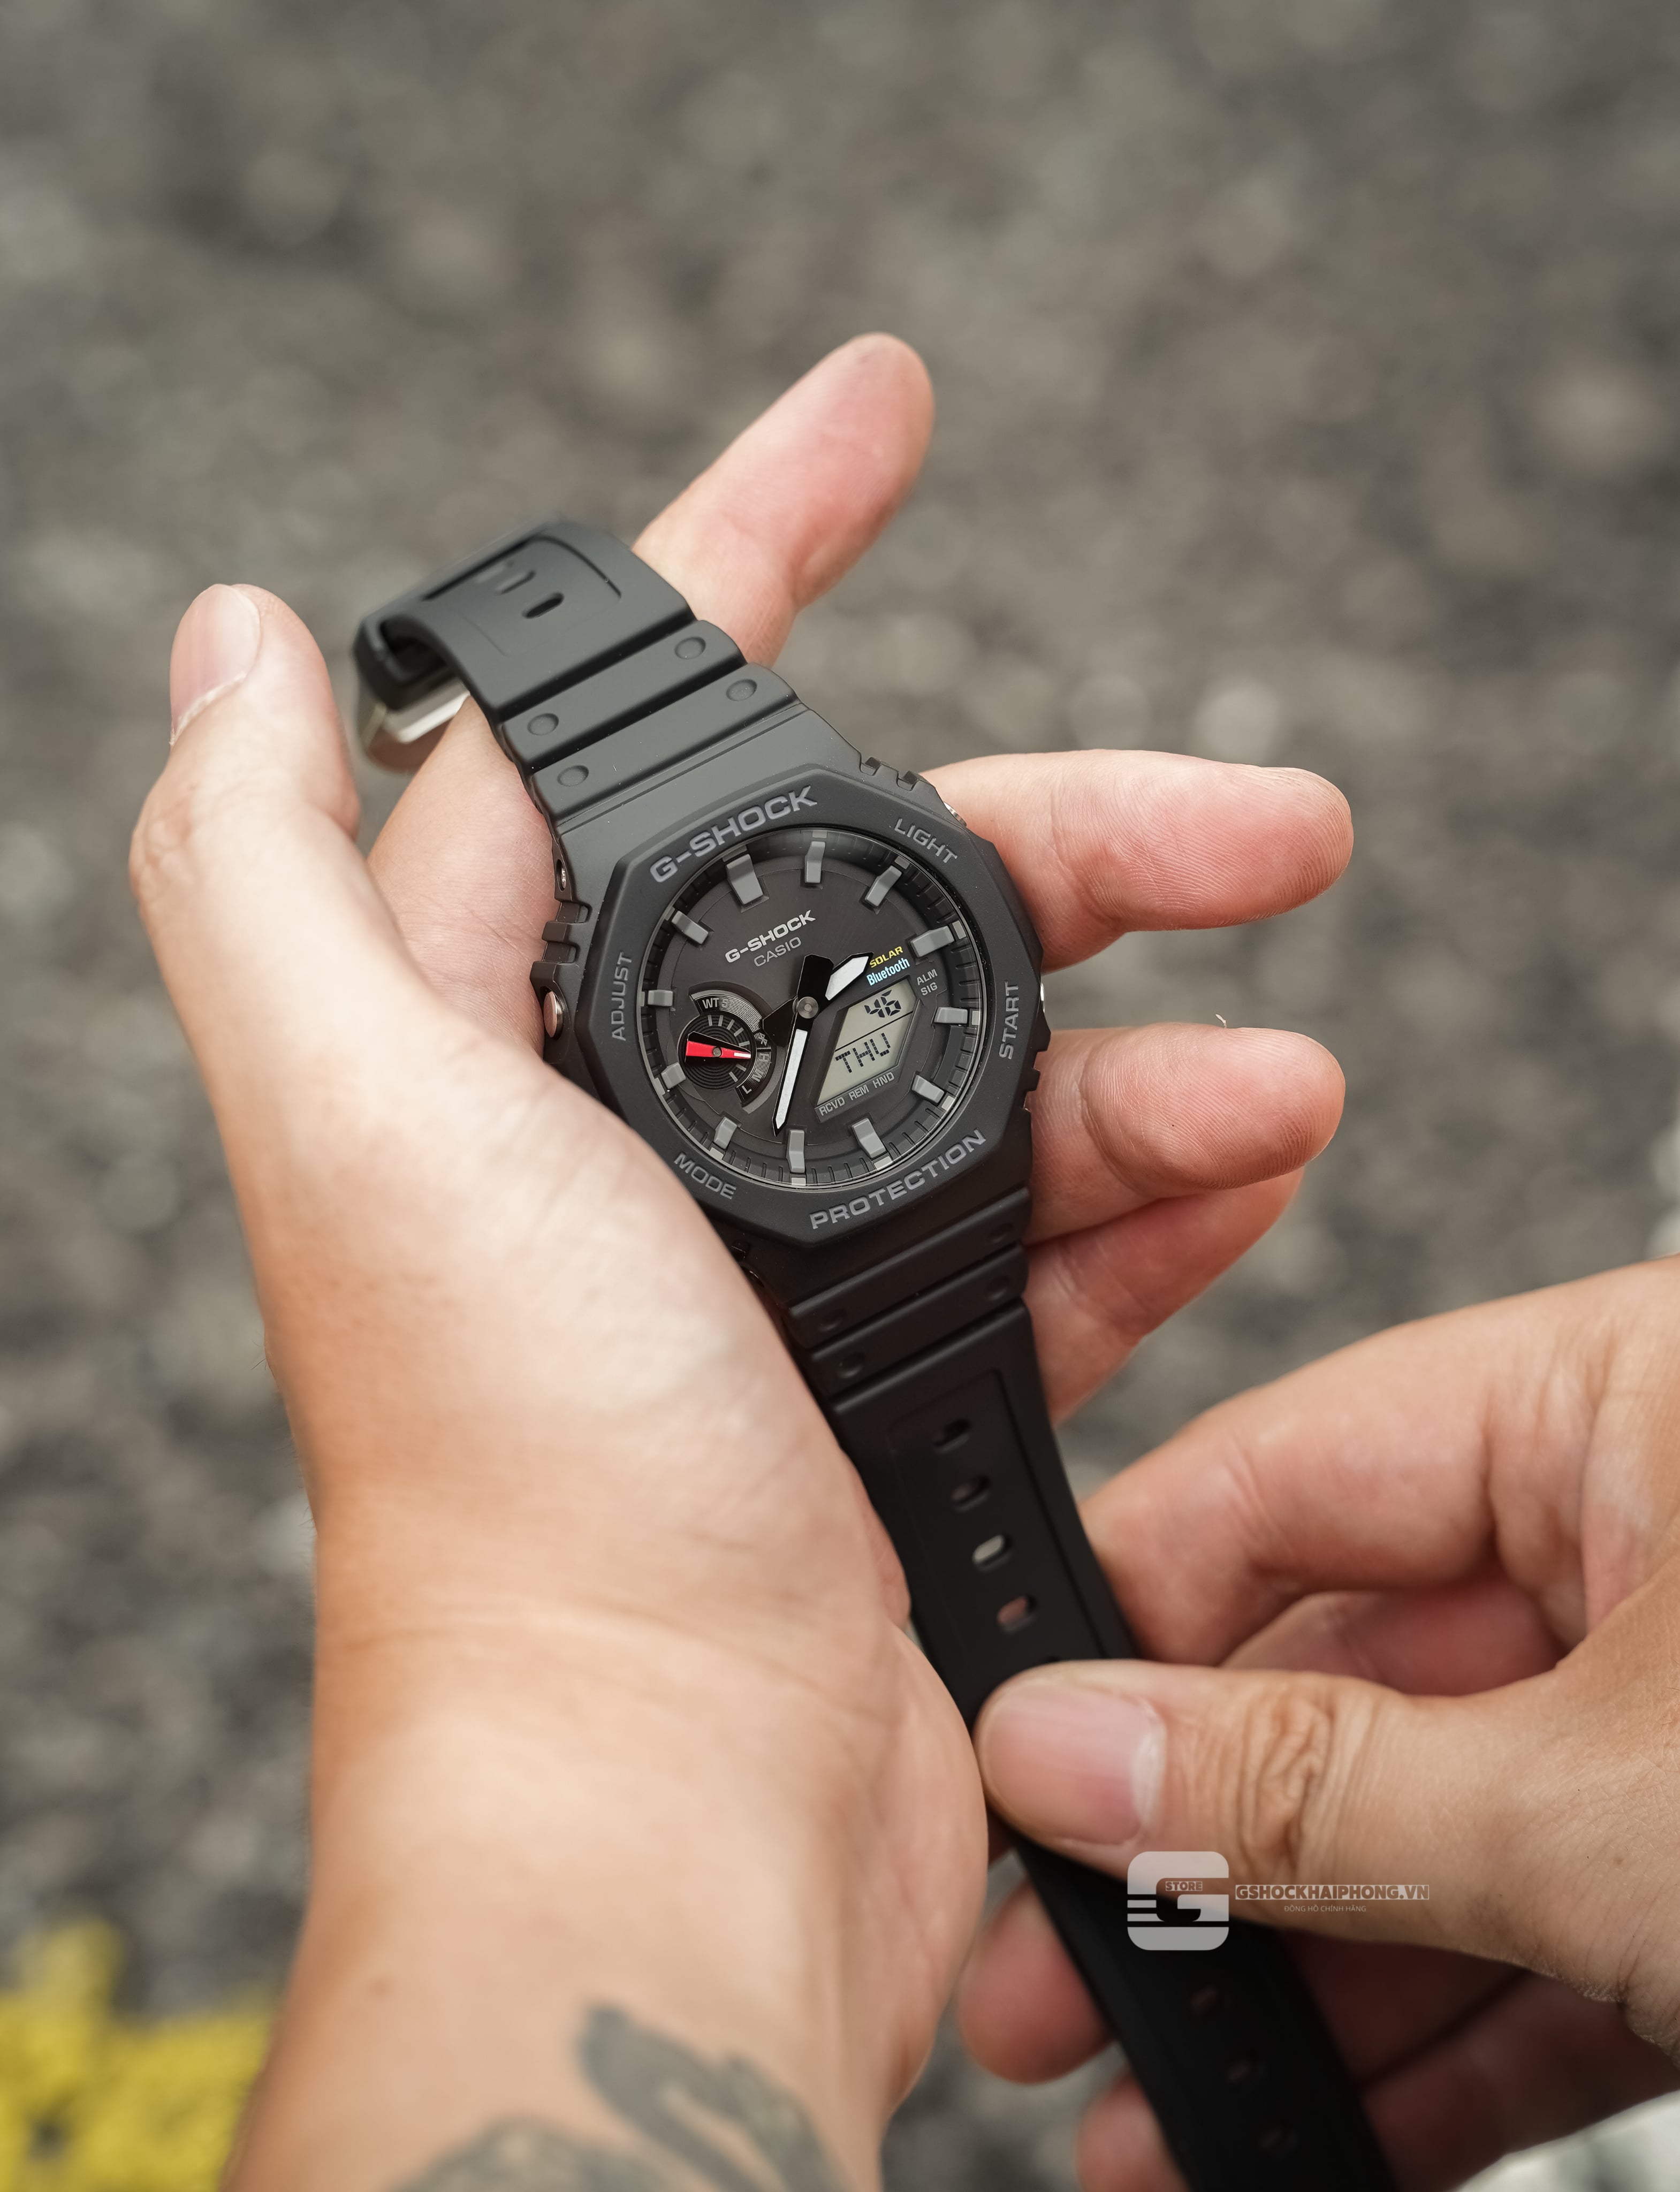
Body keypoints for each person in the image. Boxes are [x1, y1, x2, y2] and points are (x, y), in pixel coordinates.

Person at [130, 335, 1677, 2192]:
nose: (792, 1017)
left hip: (918, 1230)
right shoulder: (756, 981)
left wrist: (574, 1696)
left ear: (957, 914)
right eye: (726, 1043)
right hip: (864, 1260)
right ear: (591, 1048)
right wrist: (592, 1645)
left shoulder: (899, 946)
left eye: (840, 983)